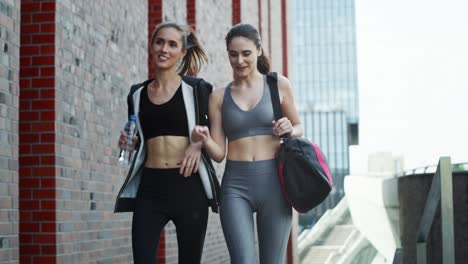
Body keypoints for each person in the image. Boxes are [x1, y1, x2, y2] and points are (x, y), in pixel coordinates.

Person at [192, 23, 303, 264]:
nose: (239, 60)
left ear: (259, 50)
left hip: (275, 184)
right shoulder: (218, 96)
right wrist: (204, 140)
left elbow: (299, 127)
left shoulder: (278, 84)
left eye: (246, 53)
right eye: (233, 54)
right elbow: (219, 153)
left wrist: (289, 129)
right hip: (235, 187)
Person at [114, 22, 220, 264]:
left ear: (182, 53)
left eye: (172, 44)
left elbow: (213, 137)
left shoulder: (197, 90)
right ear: (151, 46)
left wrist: (197, 144)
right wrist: (127, 144)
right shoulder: (136, 94)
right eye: (159, 42)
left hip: (188, 186)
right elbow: (138, 137)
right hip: (150, 188)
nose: (164, 48)